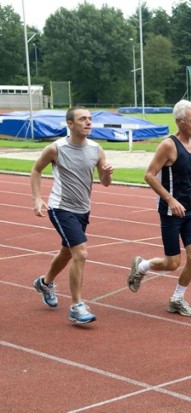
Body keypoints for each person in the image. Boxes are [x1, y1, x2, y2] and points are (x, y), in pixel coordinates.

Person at [127, 99, 191, 316]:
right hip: (170, 212)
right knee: (172, 263)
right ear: (179, 121)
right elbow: (149, 175)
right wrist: (171, 201)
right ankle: (142, 267)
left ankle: (177, 298)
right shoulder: (168, 145)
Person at [31, 106, 114, 324]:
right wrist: (38, 198)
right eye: (82, 119)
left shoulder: (97, 149)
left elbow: (105, 183)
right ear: (70, 124)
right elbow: (36, 169)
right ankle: (77, 306)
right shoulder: (56, 148)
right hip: (60, 208)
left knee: (67, 252)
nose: (88, 123)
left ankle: (45, 282)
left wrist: (105, 174)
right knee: (81, 253)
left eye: (89, 119)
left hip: (83, 209)